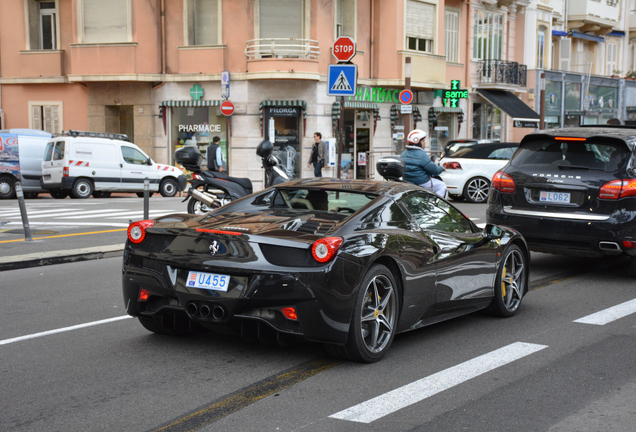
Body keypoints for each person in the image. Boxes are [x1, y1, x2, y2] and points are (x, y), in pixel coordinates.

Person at [401, 129, 447, 198]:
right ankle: (435, 206)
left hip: (407, 181)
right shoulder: (422, 155)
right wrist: (442, 168)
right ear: (417, 142)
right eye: (423, 141)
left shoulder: (403, 154)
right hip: (422, 182)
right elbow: (434, 171)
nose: (424, 143)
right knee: (442, 186)